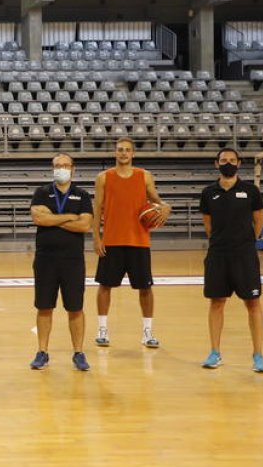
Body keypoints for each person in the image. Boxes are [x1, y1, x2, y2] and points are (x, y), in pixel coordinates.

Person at [92, 137, 172, 349]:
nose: (123, 153)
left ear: (133, 153)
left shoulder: (144, 176)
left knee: (145, 288)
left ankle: (147, 332)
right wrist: (96, 237)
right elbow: (97, 209)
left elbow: (157, 200)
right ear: (115, 152)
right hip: (112, 240)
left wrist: (165, 207)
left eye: (127, 150)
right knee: (105, 286)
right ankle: (102, 329)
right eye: (120, 150)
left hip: (139, 241)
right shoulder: (103, 177)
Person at [198, 147, 263, 372]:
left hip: (244, 255)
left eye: (231, 160)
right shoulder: (208, 192)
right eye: (223, 160)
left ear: (238, 163)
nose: (227, 163)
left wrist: (247, 241)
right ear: (216, 163)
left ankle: (258, 355)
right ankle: (214, 352)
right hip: (218, 255)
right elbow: (208, 225)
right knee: (217, 302)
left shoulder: (250, 191)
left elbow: (259, 219)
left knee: (253, 303)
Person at [28, 154, 93, 371]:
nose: (61, 169)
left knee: (75, 308)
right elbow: (39, 218)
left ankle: (79, 352)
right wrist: (70, 216)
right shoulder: (42, 192)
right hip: (45, 259)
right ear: (52, 168)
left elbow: (85, 225)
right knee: (44, 307)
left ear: (73, 169)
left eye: (65, 165)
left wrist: (53, 218)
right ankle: (42, 351)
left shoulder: (82, 195)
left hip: (73, 260)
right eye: (57, 165)